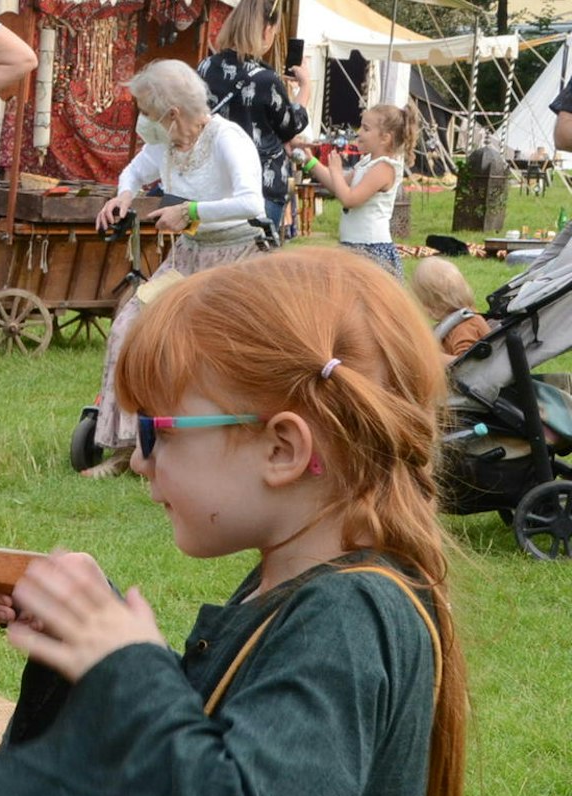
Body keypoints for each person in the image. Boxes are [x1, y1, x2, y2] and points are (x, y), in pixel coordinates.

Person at [0, 248, 468, 796]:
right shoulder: (288, 594)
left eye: (157, 431)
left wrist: (129, 667)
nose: (140, 461)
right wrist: (81, 648)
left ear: (282, 448)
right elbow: (183, 779)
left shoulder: (347, 618)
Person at [86, 60, 265, 476]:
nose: (143, 121)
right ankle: (127, 448)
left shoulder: (226, 138)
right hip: (188, 255)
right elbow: (134, 170)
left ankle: (200, 448)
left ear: (172, 113)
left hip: (234, 260)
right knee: (128, 327)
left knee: (201, 351)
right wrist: (124, 196)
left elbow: (252, 202)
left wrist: (190, 211)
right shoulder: (165, 142)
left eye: (147, 112)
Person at [197, 0, 309, 240]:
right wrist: (306, 87)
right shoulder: (266, 79)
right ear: (267, 30)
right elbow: (291, 125)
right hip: (259, 187)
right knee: (254, 259)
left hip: (216, 182)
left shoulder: (205, 67)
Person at [302, 104, 415, 280]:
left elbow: (349, 199)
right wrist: (310, 161)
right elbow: (337, 186)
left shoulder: (384, 168)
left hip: (370, 250)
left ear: (385, 138)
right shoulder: (366, 162)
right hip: (353, 246)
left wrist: (336, 171)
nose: (359, 133)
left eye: (366, 129)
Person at [410, 256, 488, 357]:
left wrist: (439, 358)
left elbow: (469, 362)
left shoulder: (465, 327)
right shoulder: (458, 321)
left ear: (432, 306)